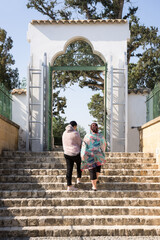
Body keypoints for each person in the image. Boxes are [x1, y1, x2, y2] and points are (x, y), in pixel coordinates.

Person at [81, 123, 106, 191]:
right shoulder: (101, 136)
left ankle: (94, 186)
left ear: (90, 129)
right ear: (97, 128)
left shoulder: (87, 136)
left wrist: (82, 155)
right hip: (98, 154)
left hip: (89, 155)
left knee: (92, 169)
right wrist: (103, 153)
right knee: (98, 168)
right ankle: (96, 179)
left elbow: (84, 146)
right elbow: (103, 145)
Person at [62, 121, 82, 191]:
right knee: (79, 165)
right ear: (74, 126)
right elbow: (79, 142)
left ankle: (69, 186)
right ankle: (78, 179)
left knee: (69, 169)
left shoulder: (64, 133)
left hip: (67, 153)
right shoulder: (75, 133)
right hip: (75, 153)